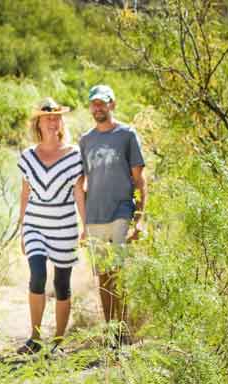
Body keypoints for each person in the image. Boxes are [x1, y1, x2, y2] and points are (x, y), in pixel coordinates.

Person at [14, 98, 86, 355]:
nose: (53, 121)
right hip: (35, 224)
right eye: (48, 117)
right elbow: (25, 193)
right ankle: (34, 338)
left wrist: (85, 225)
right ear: (39, 123)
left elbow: (79, 192)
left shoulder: (75, 155)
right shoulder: (27, 156)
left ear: (61, 122)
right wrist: (23, 229)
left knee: (62, 284)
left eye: (57, 117)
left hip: (64, 227)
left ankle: (58, 342)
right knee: (38, 275)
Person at [77, 84, 147, 344]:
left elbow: (140, 180)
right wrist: (83, 224)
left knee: (119, 272)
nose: (98, 107)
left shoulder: (126, 135)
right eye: (94, 103)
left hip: (121, 210)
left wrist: (139, 219)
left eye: (102, 102)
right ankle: (111, 334)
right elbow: (81, 184)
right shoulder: (85, 140)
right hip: (95, 215)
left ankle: (124, 331)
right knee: (104, 277)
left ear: (112, 104)